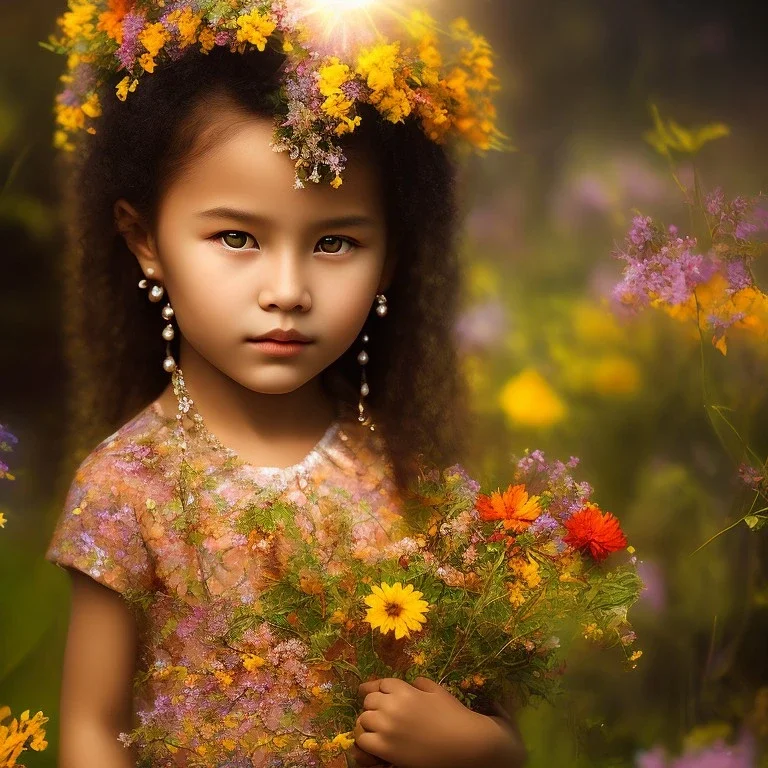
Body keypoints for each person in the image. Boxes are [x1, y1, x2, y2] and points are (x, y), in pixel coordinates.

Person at [42, 2, 524, 766]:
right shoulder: (125, 487)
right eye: (237, 237)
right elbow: (90, 731)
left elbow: (482, 707)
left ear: (391, 257)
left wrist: (483, 747)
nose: (288, 290)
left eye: (334, 241)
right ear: (145, 241)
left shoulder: (408, 478)